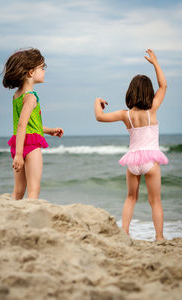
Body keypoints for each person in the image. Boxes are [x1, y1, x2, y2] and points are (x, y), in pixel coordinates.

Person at [94, 49, 168, 241]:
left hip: (133, 160)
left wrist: (97, 101)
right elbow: (164, 85)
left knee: (130, 198)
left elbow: (99, 117)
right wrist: (155, 63)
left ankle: (124, 232)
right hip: (151, 160)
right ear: (148, 92)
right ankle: (159, 237)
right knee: (155, 201)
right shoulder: (152, 109)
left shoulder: (125, 115)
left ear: (131, 92)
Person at [2, 48, 64, 200]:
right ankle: (29, 220)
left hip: (18, 143)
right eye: (42, 68)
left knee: (18, 191)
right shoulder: (31, 97)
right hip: (30, 147)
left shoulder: (17, 95)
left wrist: (49, 131)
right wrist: (19, 155)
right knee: (33, 189)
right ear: (31, 72)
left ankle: (12, 214)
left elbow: (28, 125)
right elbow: (22, 125)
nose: (44, 71)